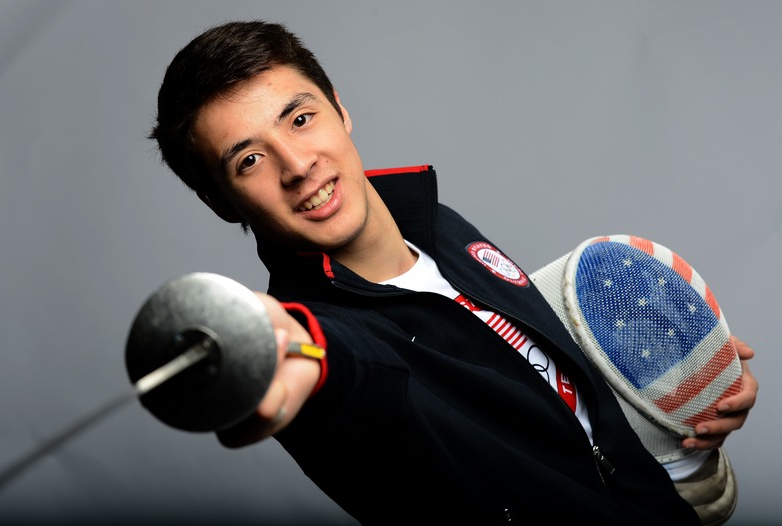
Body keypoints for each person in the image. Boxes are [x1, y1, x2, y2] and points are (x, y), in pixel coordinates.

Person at [149, 20, 758, 525]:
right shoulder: (324, 337)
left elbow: (527, 391)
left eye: (301, 118)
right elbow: (345, 375)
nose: (297, 164)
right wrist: (288, 352)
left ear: (339, 109)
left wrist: (688, 390)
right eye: (249, 159)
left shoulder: (435, 226)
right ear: (221, 201)